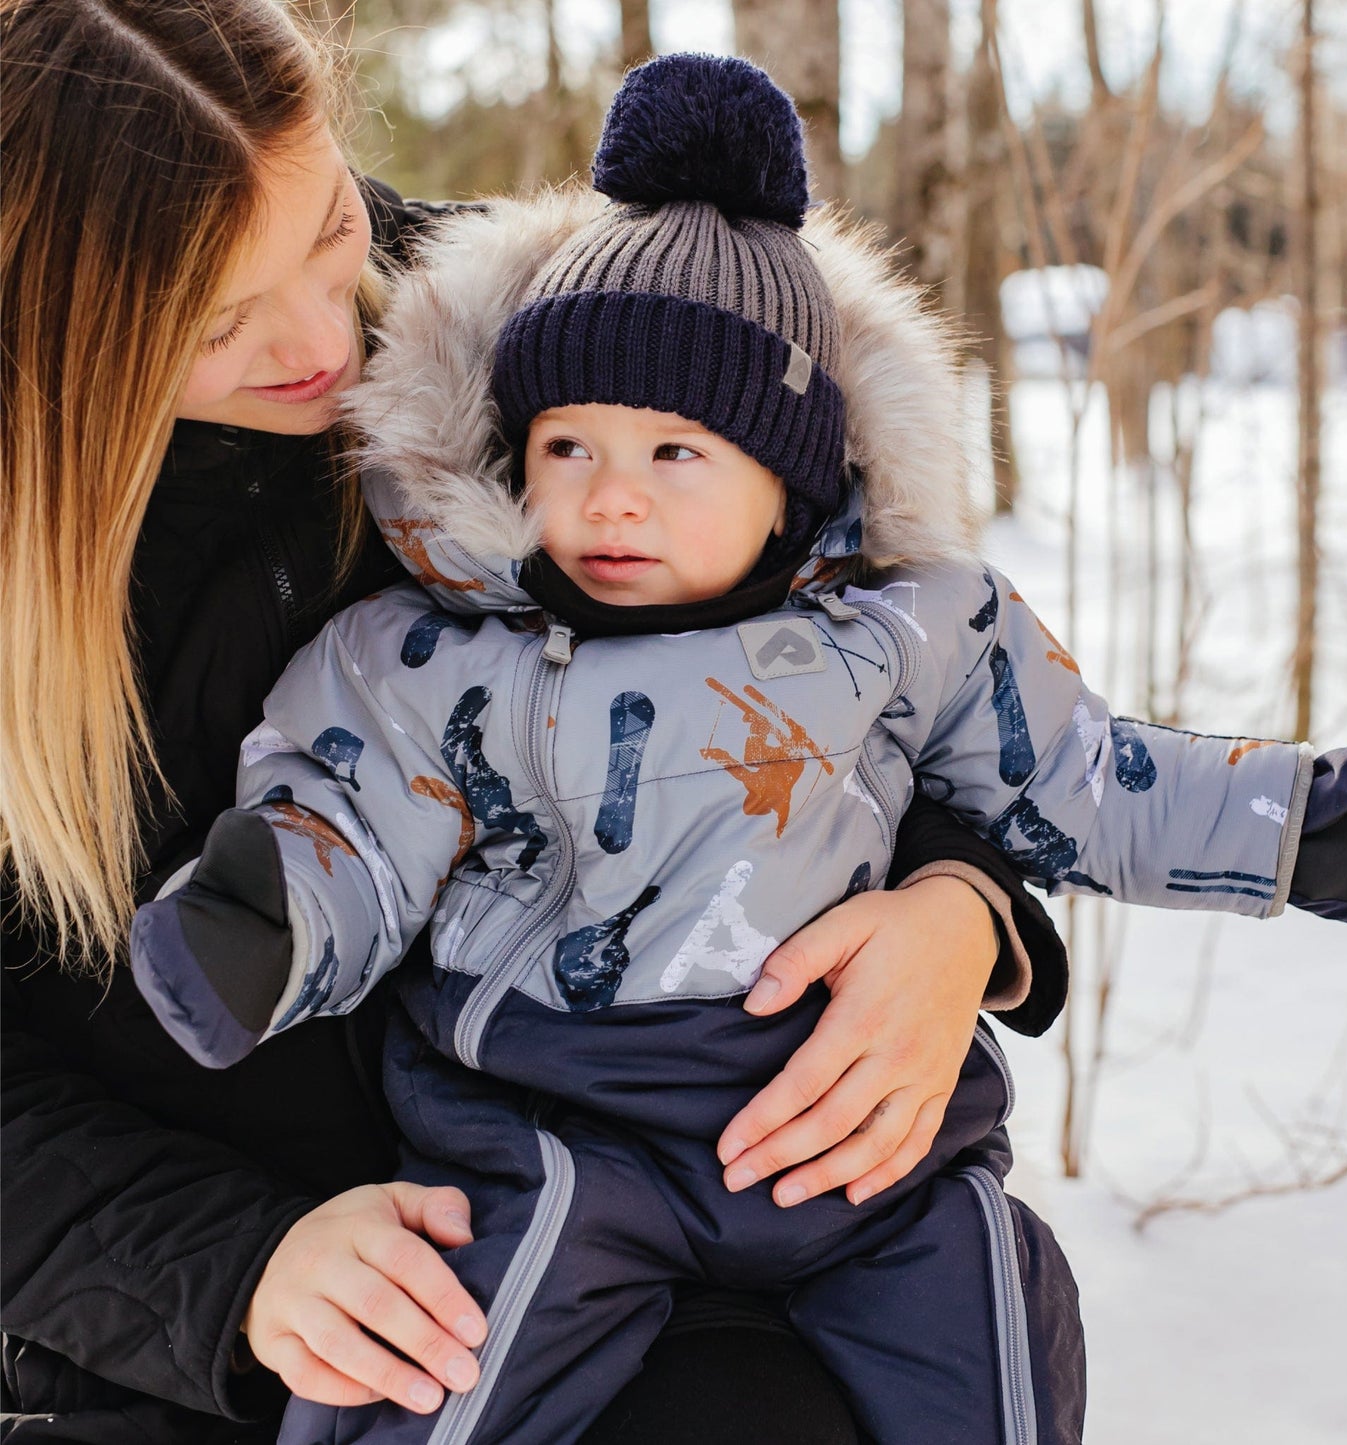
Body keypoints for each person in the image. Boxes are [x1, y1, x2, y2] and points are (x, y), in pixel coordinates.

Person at [129, 51, 1347, 1445]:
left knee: (989, 1294)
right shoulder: (446, 653)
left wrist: (1300, 829)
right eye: (568, 447)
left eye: (674, 454)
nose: (609, 496)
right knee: (460, 1346)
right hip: (565, 1125)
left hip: (857, 1135)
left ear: (792, 481)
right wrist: (264, 918)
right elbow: (356, 818)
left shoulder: (916, 634)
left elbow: (1084, 779)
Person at [0, 6, 1073, 1444]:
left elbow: (871, 658)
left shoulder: (525, 349)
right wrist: (235, 1272)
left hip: (661, 1222)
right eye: (215, 319)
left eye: (328, 231)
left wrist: (960, 897)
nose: (329, 341)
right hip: (199, 1331)